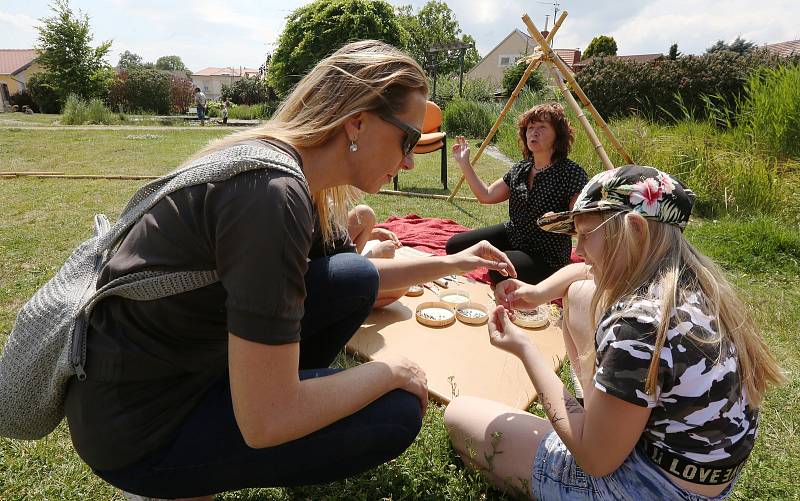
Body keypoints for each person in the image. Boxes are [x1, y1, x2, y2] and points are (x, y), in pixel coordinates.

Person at [64, 40, 516, 501]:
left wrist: (456, 260)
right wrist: (390, 371)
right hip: (139, 430)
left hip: (162, 375)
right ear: (357, 121)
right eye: (406, 139)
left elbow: (361, 276)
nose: (408, 160)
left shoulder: (285, 168)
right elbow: (266, 420)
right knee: (394, 410)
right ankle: (173, 482)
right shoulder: (271, 198)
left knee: (350, 277)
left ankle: (257, 414)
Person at [444, 165, 785, 500]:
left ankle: (589, 423)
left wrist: (525, 349)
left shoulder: (638, 324)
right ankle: (599, 416)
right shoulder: (692, 286)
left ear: (634, 231)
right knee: (579, 295)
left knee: (460, 414)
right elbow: (581, 273)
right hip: (699, 480)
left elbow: (596, 461)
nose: (578, 249)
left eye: (586, 234)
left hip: (641, 486)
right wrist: (536, 294)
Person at [445, 102, 589, 285]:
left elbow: (583, 221)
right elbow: (486, 195)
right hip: (514, 234)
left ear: (558, 135)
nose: (534, 132)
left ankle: (533, 269)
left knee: (499, 271)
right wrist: (464, 162)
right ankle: (509, 257)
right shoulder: (521, 168)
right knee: (454, 246)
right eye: (530, 127)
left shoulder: (571, 173)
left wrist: (559, 221)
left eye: (542, 127)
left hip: (546, 253)